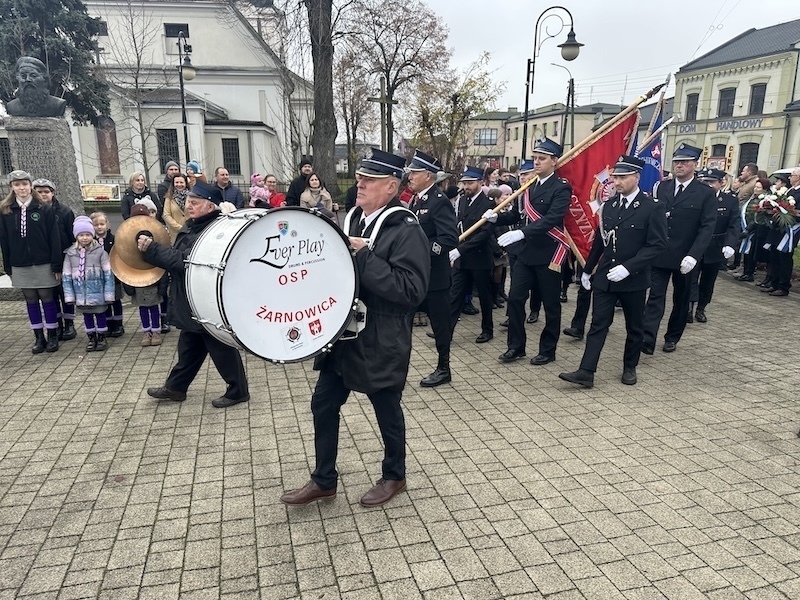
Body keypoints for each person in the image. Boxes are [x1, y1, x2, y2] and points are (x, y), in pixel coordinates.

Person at [280, 149, 429, 508]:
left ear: (391, 186)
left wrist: (363, 255)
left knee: (386, 408)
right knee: (323, 403)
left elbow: (410, 290)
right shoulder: (353, 220)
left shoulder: (405, 228)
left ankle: (395, 475)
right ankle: (324, 480)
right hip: (343, 334)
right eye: (360, 177)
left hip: (382, 335)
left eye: (369, 180)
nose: (359, 183)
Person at [558, 156, 667, 388]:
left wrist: (628, 268)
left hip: (633, 279)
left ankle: (630, 366)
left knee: (634, 326)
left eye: (622, 177)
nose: (617, 182)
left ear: (636, 177)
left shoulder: (652, 207)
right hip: (606, 277)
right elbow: (600, 240)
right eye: (615, 177)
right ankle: (586, 371)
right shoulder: (609, 205)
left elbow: (657, 245)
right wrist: (588, 269)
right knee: (598, 323)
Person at [140, 180, 250, 408]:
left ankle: (238, 391)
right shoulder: (195, 225)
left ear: (210, 206)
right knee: (190, 345)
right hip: (194, 298)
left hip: (206, 300)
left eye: (195, 202)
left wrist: (153, 250)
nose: (189, 206)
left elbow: (186, 262)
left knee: (220, 346)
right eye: (189, 201)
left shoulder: (214, 231)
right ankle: (176, 387)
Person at [484, 138, 572, 366]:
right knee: (515, 299)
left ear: (554, 161)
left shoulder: (561, 187)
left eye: (542, 158)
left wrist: (521, 233)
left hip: (549, 254)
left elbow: (552, 219)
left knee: (550, 305)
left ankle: (548, 350)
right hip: (525, 254)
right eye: (535, 158)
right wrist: (496, 218)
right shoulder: (528, 187)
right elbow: (517, 215)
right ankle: (516, 346)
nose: (537, 162)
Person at [642, 143, 716, 354]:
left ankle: (672, 336)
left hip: (686, 256)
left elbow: (707, 227)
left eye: (684, 162)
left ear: (695, 164)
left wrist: (694, 255)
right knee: (655, 297)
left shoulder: (705, 193)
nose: (679, 165)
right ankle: (647, 339)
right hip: (661, 253)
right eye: (676, 161)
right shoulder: (662, 187)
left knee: (681, 299)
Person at [407, 149, 458, 387]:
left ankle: (443, 368)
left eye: (415, 172)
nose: (410, 176)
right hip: (415, 276)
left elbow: (449, 238)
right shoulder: (415, 200)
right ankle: (395, 366)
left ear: (428, 175)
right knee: (402, 322)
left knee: (440, 326)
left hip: (435, 278)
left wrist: (421, 251)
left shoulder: (439, 201)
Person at [0, 170, 63, 353]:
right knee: (31, 300)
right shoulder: (6, 210)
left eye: (25, 184)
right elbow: (4, 240)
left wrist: (56, 264)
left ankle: (52, 335)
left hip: (43, 262)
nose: (22, 188)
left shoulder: (43, 208)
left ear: (30, 186)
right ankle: (39, 337)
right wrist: (9, 267)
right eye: (17, 184)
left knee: (47, 298)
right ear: (12, 187)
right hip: (20, 263)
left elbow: (54, 238)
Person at [448, 166, 496, 344]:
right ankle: (446, 330)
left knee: (484, 296)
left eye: (470, 183)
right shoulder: (461, 201)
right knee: (455, 295)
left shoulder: (489, 204)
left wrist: (460, 249)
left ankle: (487, 329)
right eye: (465, 183)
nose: (466, 186)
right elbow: (457, 225)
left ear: (481, 183)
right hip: (462, 259)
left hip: (479, 257)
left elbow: (485, 234)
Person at [687, 168, 739, 321]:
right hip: (695, 245)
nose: (708, 185)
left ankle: (701, 308)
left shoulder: (730, 201)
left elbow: (734, 224)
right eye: (704, 182)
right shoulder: (695, 197)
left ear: (721, 183)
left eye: (711, 182)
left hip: (715, 246)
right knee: (690, 278)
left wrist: (730, 243)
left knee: (708, 280)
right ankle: (689, 307)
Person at [32, 178, 77, 341]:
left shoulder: (65, 212)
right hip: (45, 259)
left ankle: (69, 324)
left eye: (46, 191)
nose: (43, 194)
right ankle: (56, 324)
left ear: (53, 193)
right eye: (39, 192)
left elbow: (72, 237)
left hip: (64, 257)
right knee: (50, 294)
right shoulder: (33, 212)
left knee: (65, 292)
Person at [62, 216, 115, 352]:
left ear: (92, 235)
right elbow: (66, 277)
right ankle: (91, 338)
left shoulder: (100, 252)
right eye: (81, 235)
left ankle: (102, 337)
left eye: (87, 234)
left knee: (100, 315)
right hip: (81, 294)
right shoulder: (70, 254)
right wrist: (69, 296)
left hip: (98, 292)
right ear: (76, 236)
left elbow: (108, 274)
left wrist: (108, 294)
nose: (84, 238)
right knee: (87, 316)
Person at [129, 203, 166, 346]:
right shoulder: (127, 235)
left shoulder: (155, 233)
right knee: (142, 307)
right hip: (137, 277)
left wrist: (163, 284)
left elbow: (162, 259)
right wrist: (128, 285)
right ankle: (146, 331)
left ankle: (156, 330)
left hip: (153, 277)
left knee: (154, 306)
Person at [91, 212, 125, 338]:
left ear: (107, 224)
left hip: (113, 275)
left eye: (102, 224)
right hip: (99, 277)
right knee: (105, 302)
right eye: (96, 225)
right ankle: (109, 324)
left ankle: (118, 324)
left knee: (115, 300)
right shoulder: (90, 242)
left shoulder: (113, 239)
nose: (99, 227)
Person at [163, 174, 189, 242]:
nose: (179, 184)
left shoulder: (191, 197)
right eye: (177, 182)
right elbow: (166, 215)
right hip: (176, 234)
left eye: (181, 182)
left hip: (190, 231)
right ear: (173, 184)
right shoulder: (169, 198)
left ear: (185, 183)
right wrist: (180, 228)